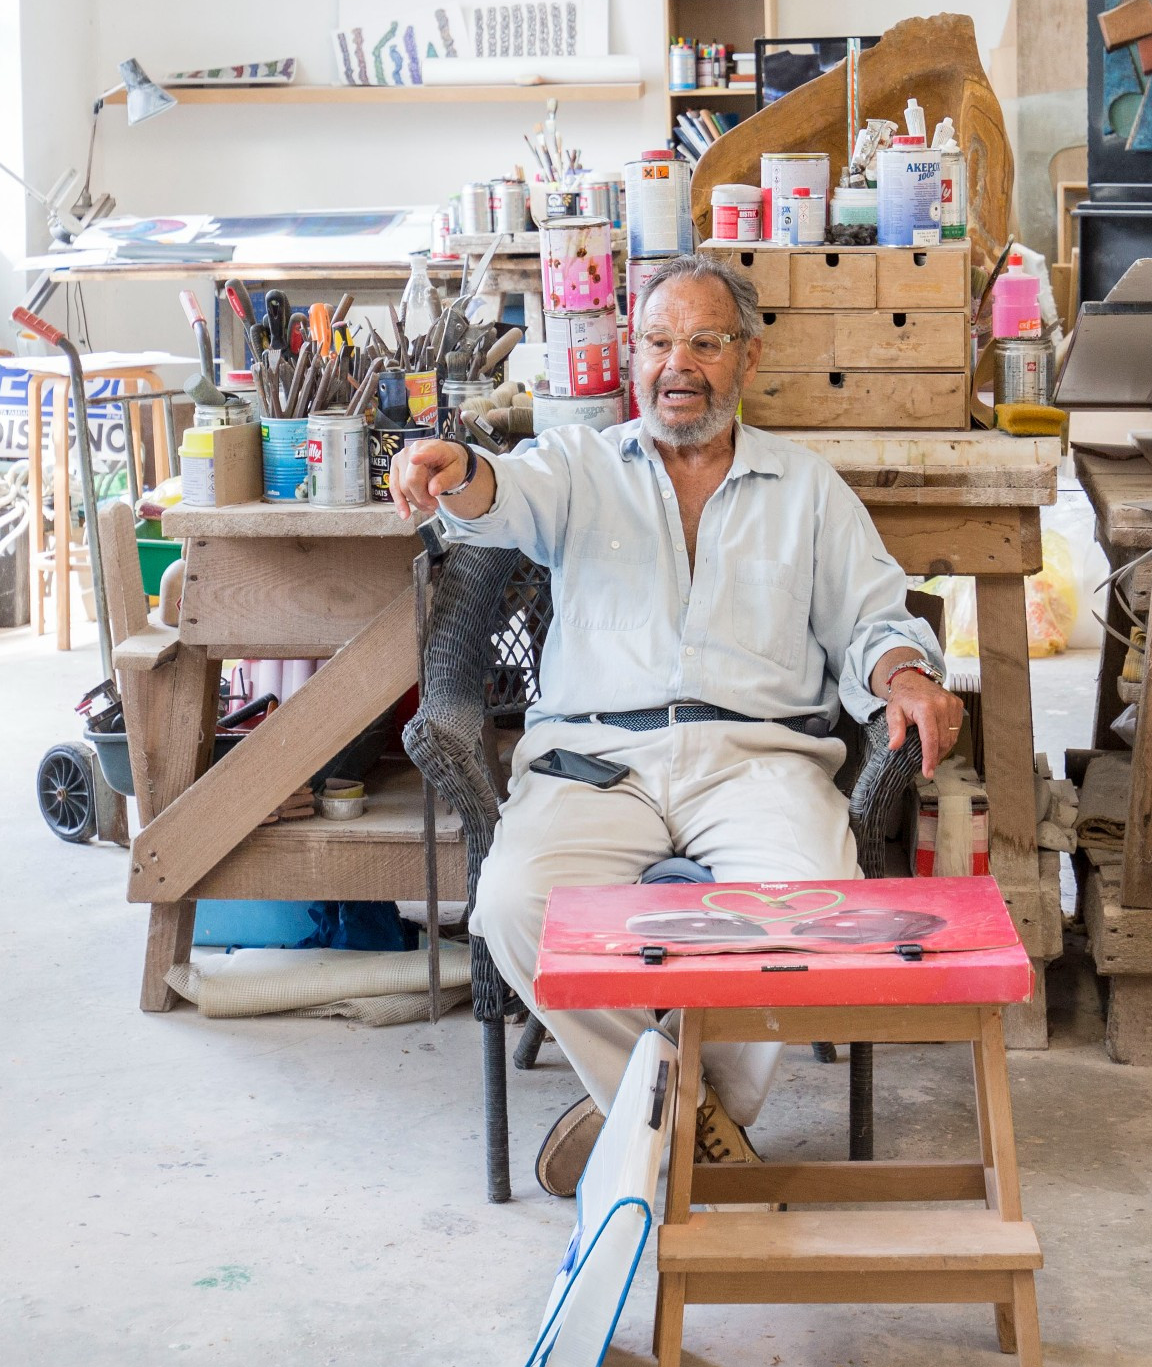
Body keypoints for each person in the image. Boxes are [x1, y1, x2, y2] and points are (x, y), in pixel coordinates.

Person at [388, 253, 963, 1195]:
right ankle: (691, 1127)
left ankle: (644, 1119)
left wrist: (902, 674)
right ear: (633, 354)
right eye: (658, 341)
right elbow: (501, 496)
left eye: (704, 341)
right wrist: (457, 475)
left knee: (816, 906)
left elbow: (874, 617)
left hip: (758, 761)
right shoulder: (579, 467)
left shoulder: (808, 489)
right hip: (595, 761)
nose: (677, 363)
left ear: (748, 357)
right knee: (512, 902)